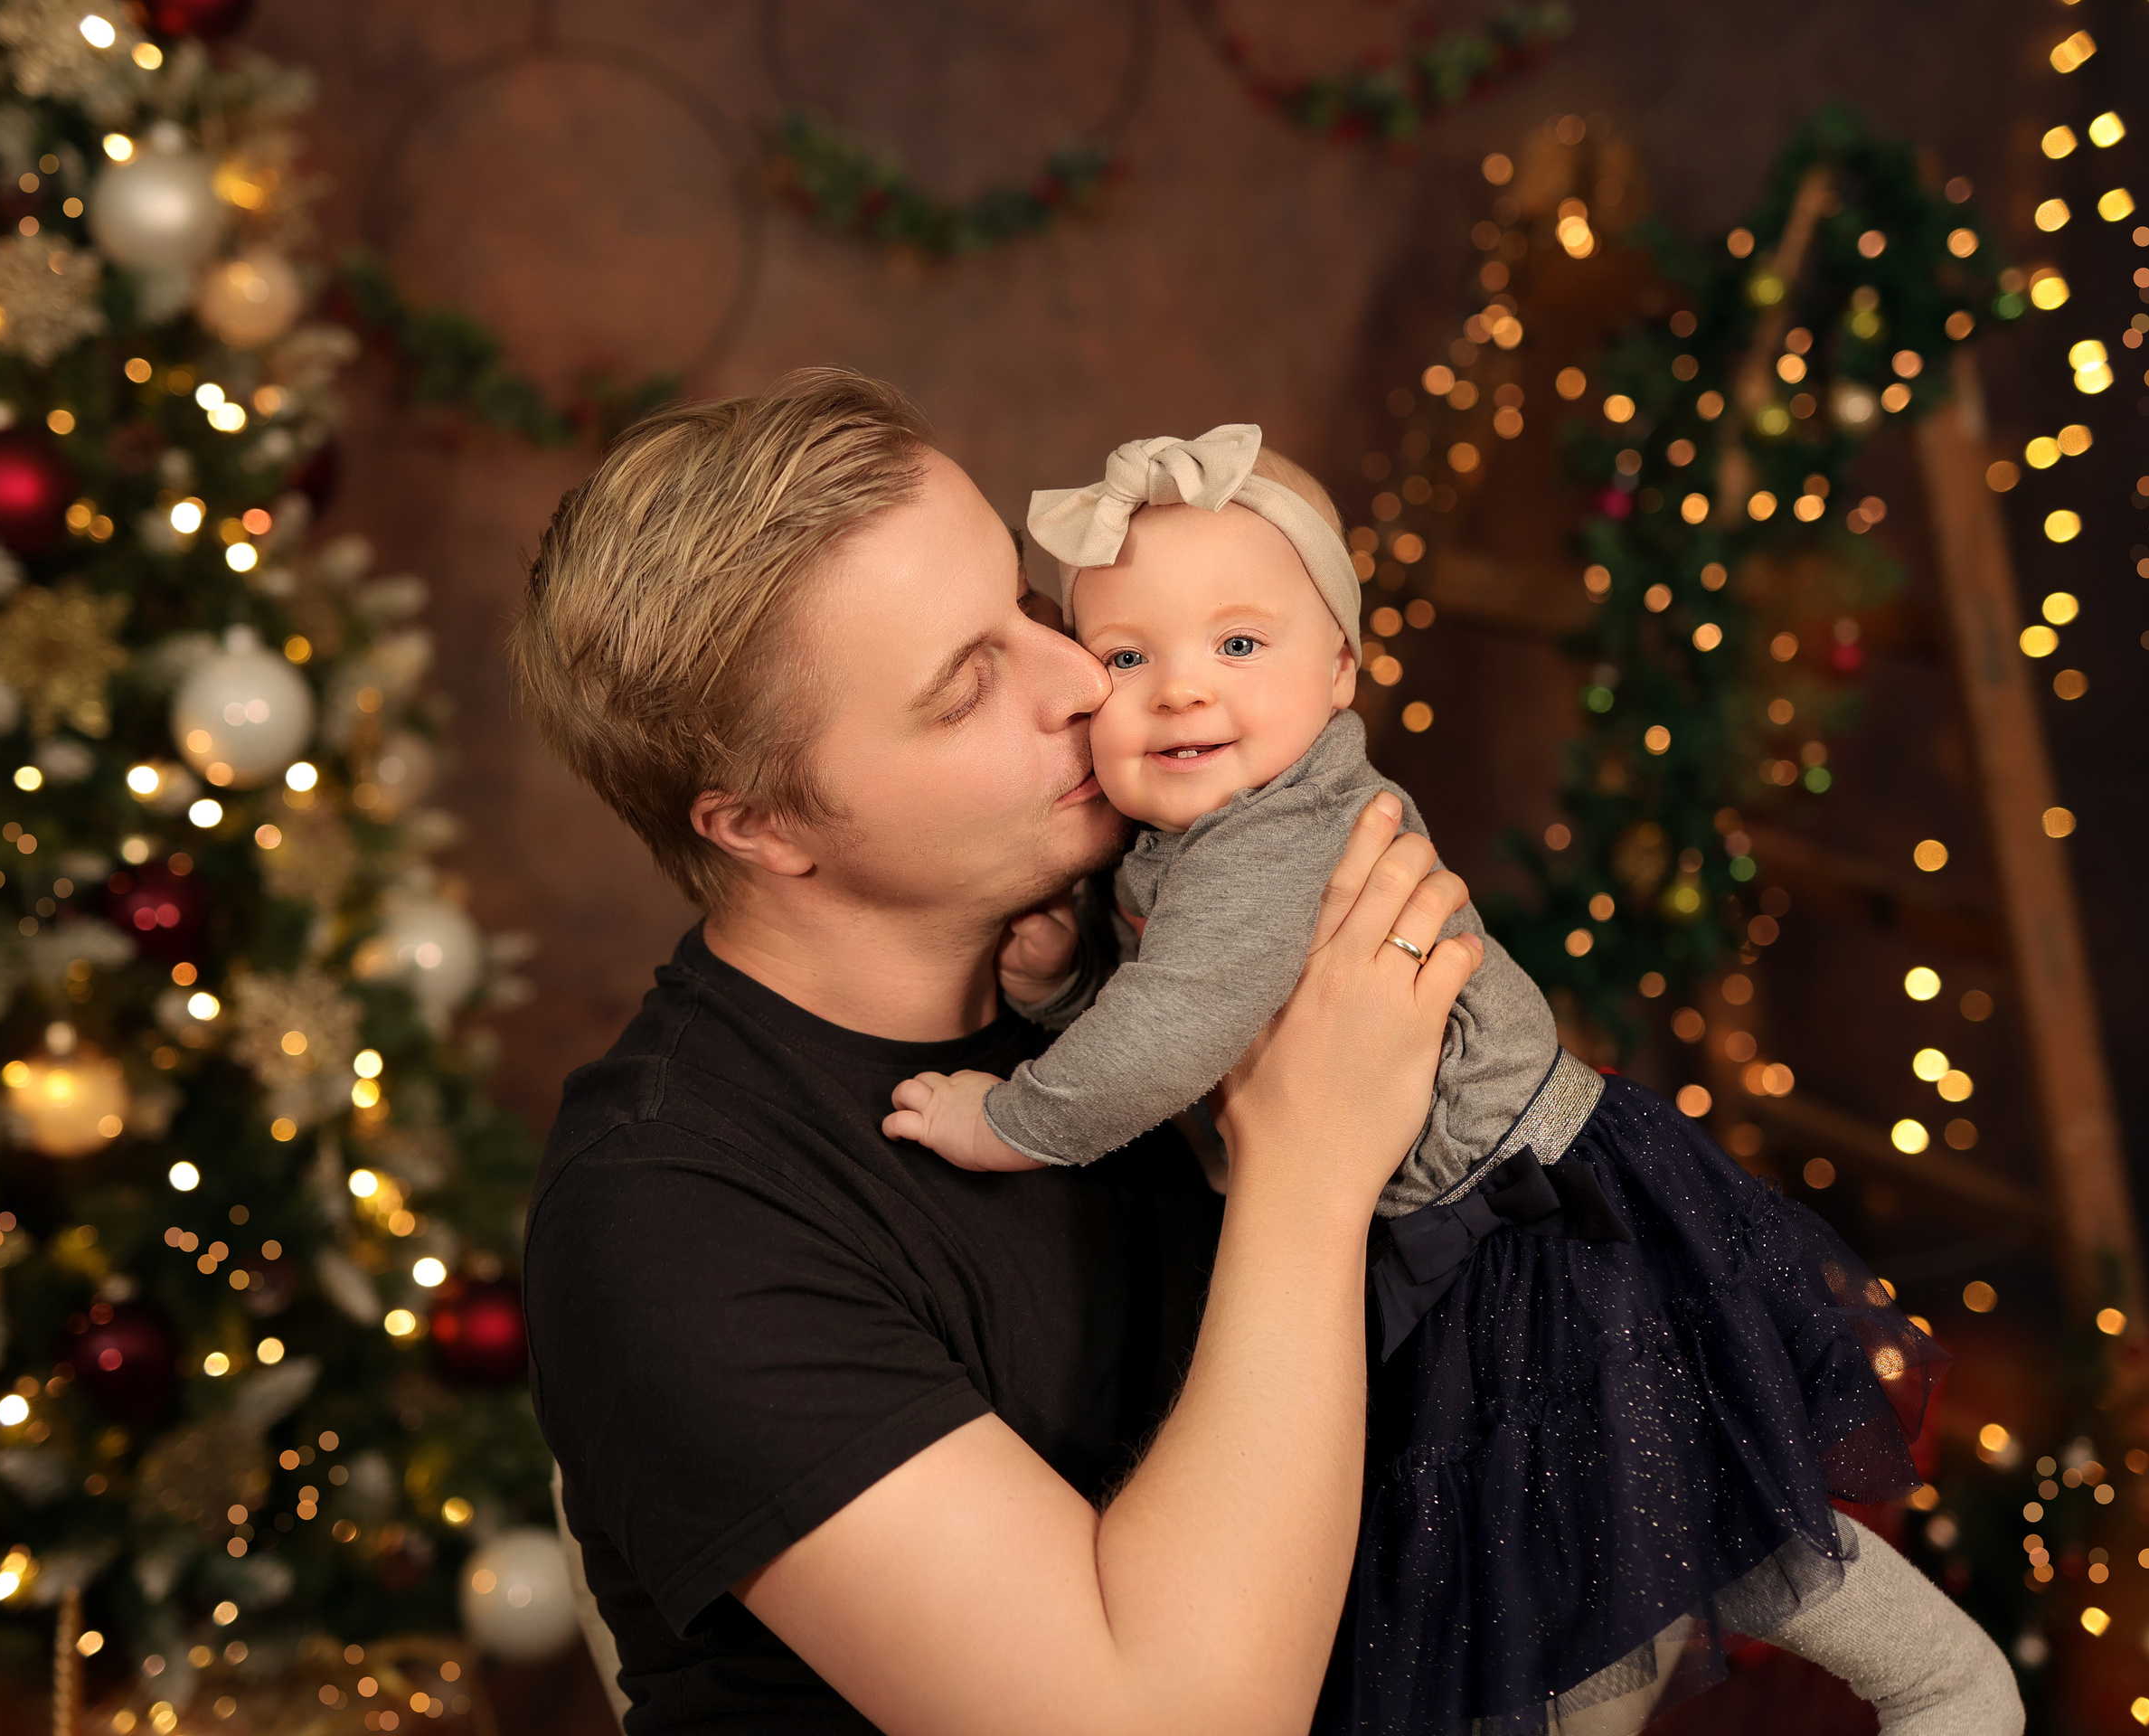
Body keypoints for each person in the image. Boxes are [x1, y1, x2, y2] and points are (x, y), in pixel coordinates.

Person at [885, 423, 2023, 1736]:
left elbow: (1170, 1040)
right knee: (1613, 1545)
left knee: (1627, 1533)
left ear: (1341, 672)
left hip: (1525, 1228)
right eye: (1127, 658)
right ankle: (1945, 1686)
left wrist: (1010, 1119)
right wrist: (1054, 989)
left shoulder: (1275, 836)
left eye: (1238, 646)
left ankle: (1950, 1689)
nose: (1181, 690)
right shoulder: (1197, 842)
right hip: (1468, 1221)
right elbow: (1197, 1021)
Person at [509, 370, 1487, 1736]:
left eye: (1028, 610)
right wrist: (1310, 1165)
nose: (1084, 677)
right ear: (761, 827)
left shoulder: (1137, 938)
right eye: (967, 689)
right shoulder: (671, 1215)